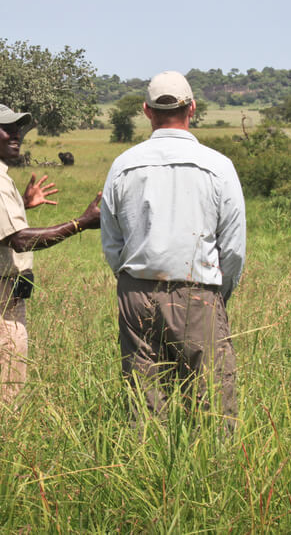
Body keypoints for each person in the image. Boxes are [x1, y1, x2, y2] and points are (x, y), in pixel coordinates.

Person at [100, 71, 247, 430]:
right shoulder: (218, 166)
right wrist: (219, 294)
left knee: (145, 399)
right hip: (198, 292)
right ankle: (213, 473)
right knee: (212, 401)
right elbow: (233, 247)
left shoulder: (123, 164)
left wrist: (133, 279)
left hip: (135, 292)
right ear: (192, 108)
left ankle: (146, 473)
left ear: (147, 111)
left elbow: (112, 242)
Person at [0, 103, 100, 406]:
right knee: (3, 387)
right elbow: (19, 240)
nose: (17, 134)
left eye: (19, 127)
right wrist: (80, 224)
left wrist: (20, 205)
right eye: (9, 128)